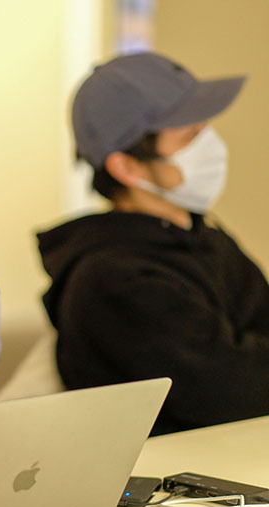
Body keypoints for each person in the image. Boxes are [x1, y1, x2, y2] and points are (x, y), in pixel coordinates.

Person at [38, 52, 269, 435]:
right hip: (165, 483)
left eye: (205, 126)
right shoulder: (111, 277)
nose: (210, 143)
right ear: (126, 167)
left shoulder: (203, 238)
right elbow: (232, 389)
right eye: (189, 135)